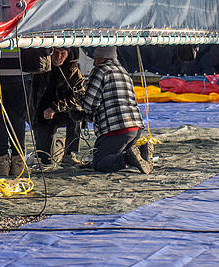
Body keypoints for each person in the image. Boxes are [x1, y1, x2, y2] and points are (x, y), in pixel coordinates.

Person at [81, 46, 152, 174]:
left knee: (100, 163)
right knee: (116, 156)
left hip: (116, 128)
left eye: (95, 59)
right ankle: (140, 154)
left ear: (102, 58)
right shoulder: (123, 71)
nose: (93, 62)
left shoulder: (100, 71)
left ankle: (128, 158)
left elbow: (89, 104)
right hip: (135, 127)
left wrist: (79, 103)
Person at [0, 48, 51, 177]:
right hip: (19, 70)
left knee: (0, 117)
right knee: (18, 119)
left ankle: (3, 164)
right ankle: (18, 164)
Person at [31, 47, 87, 166]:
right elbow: (32, 97)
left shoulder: (74, 71)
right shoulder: (40, 68)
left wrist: (55, 108)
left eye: (63, 54)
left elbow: (78, 96)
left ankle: (70, 154)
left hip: (64, 111)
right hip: (44, 113)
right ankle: (60, 145)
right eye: (56, 53)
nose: (59, 57)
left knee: (77, 112)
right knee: (46, 160)